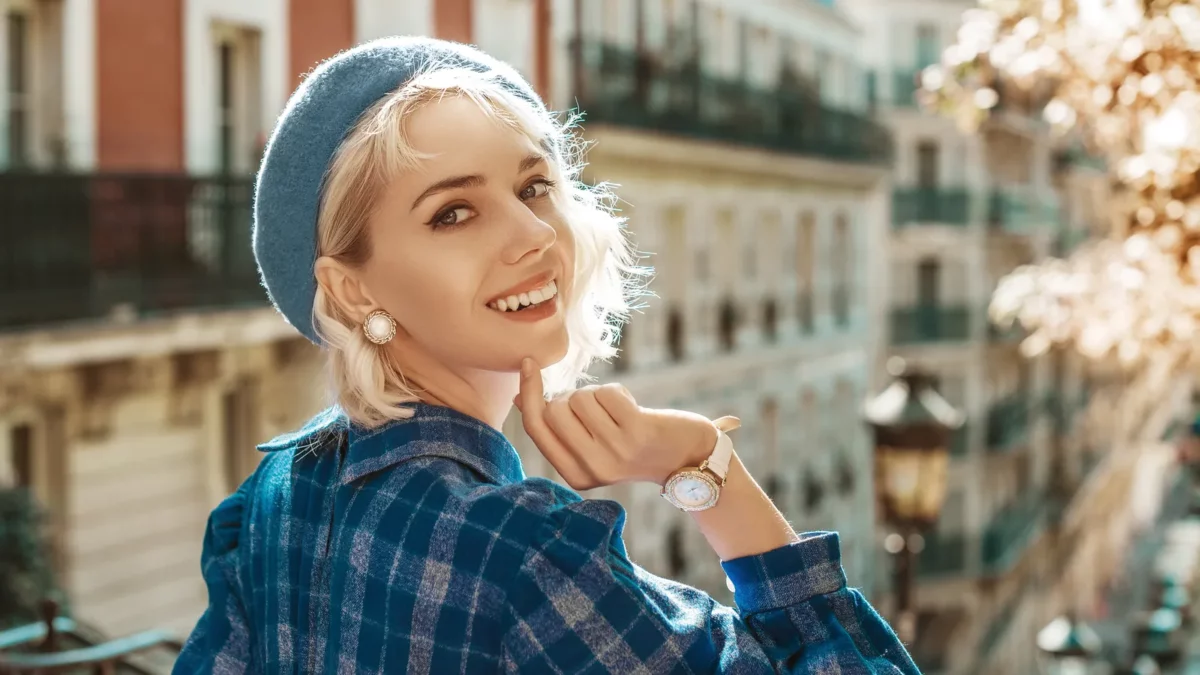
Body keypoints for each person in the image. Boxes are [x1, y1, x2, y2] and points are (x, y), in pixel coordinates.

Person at [173, 37, 920, 674]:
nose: (532, 234)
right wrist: (705, 466)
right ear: (349, 291)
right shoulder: (523, 554)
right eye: (453, 213)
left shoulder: (275, 492)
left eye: (534, 186)